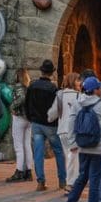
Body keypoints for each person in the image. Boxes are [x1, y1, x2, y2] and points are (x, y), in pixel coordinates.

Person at [63, 77, 101, 202]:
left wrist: (72, 143)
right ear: (95, 90)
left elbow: (71, 123)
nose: (100, 90)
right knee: (95, 181)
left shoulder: (77, 103)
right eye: (99, 88)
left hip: (83, 147)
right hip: (98, 148)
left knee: (81, 178)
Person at [25, 59, 66, 191]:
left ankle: (41, 182)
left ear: (41, 71)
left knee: (38, 152)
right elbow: (57, 107)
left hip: (36, 123)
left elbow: (27, 104)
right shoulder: (53, 88)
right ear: (52, 73)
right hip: (50, 124)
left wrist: (30, 117)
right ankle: (62, 181)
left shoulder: (32, 86)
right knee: (59, 151)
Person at [52, 72, 81, 190]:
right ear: (73, 81)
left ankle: (71, 181)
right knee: (73, 157)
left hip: (62, 129)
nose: (80, 83)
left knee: (69, 156)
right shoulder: (79, 96)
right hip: (73, 130)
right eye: (78, 80)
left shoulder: (60, 94)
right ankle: (71, 183)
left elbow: (55, 112)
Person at [6, 67, 33, 183]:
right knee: (27, 145)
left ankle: (19, 171)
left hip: (19, 117)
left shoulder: (18, 87)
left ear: (18, 76)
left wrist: (11, 107)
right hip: (28, 119)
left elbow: (21, 98)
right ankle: (29, 171)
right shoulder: (29, 88)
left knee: (18, 146)